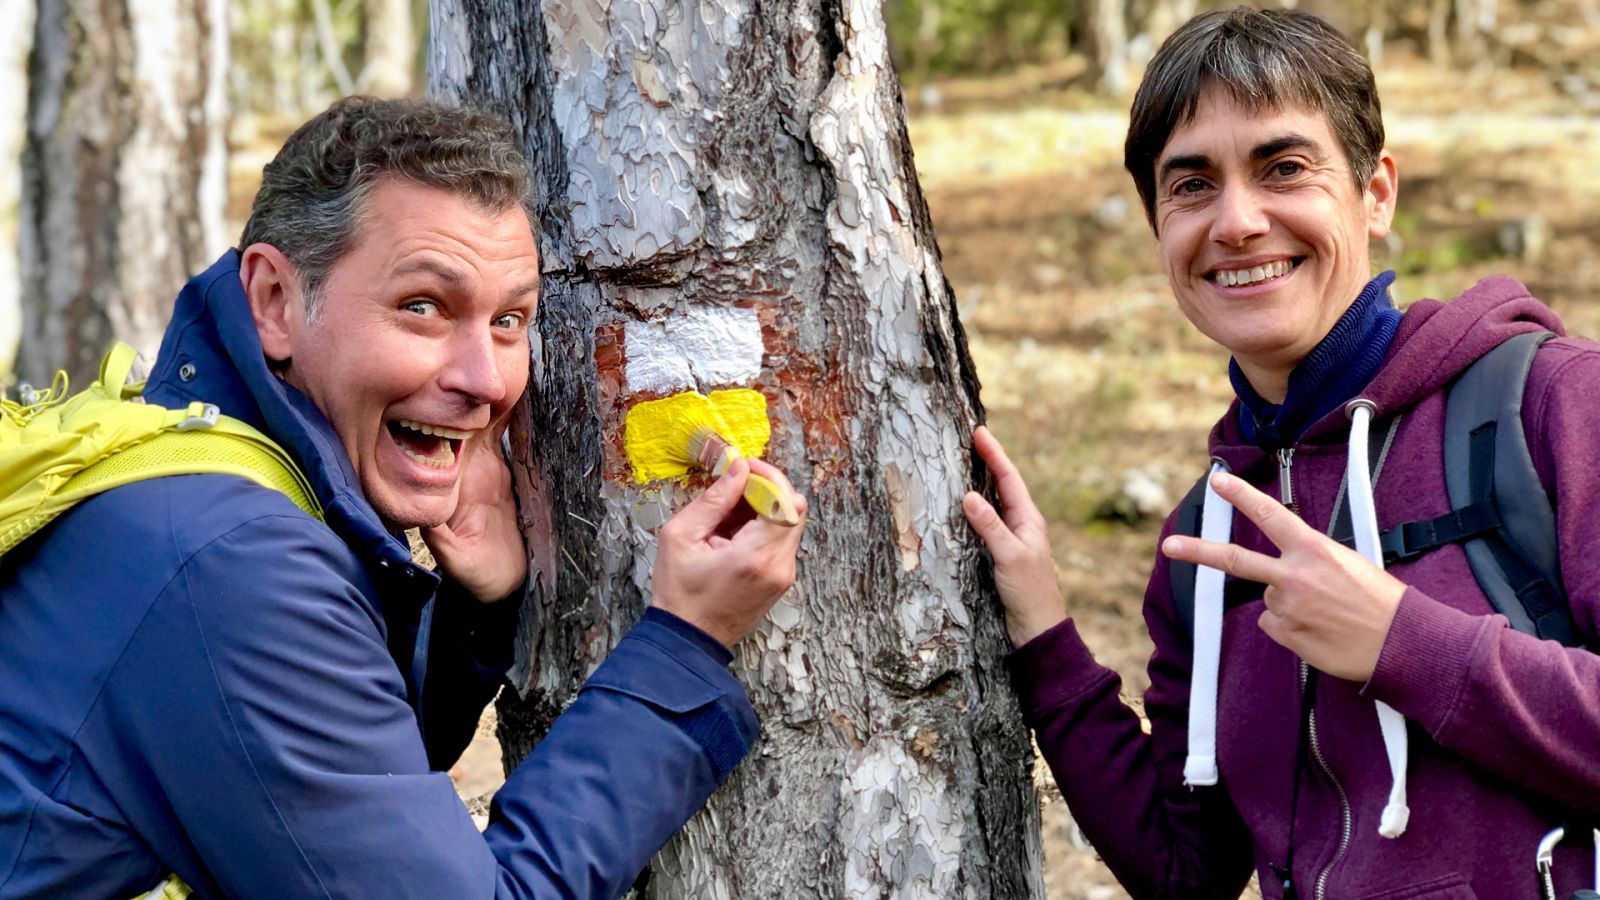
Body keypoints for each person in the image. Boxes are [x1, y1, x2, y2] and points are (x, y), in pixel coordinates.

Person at [0, 97, 807, 898]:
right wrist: (685, 646)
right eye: (422, 307)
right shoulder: (231, 562)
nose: (486, 381)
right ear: (276, 302)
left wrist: (473, 619)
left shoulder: (190, 461)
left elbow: (313, 815)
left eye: (509, 320)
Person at [963, 8, 1600, 899]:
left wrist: (1404, 643)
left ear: (1376, 194)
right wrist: (1042, 631)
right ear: (1159, 231)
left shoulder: (1553, 405)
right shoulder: (1210, 534)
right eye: (1191, 185)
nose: (1237, 221)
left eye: (1284, 168)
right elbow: (1186, 871)